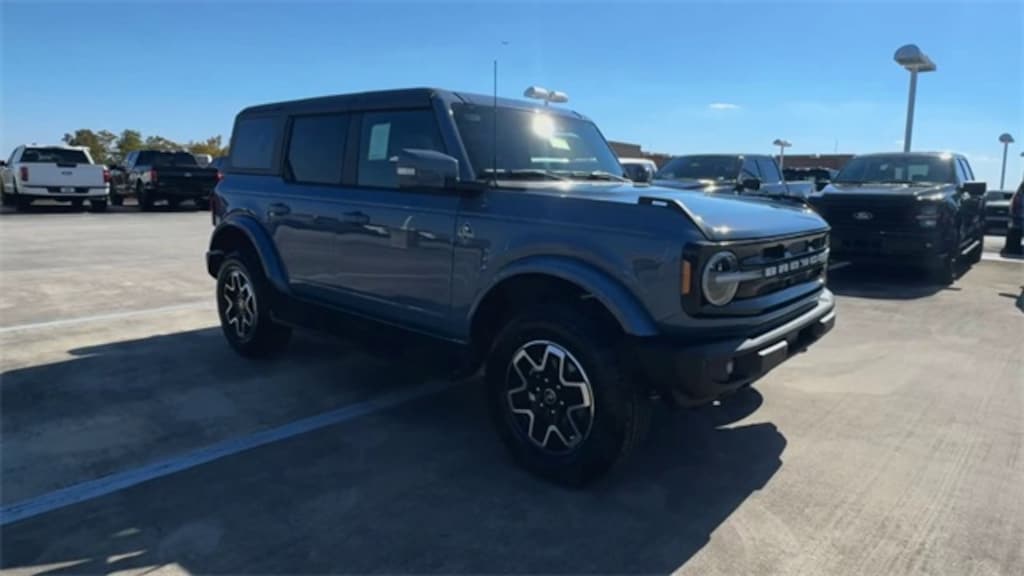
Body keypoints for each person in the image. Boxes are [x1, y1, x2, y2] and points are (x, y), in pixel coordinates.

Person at [1002, 179, 1024, 256]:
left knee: (1015, 229)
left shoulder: (1019, 195)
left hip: (1019, 218)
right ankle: (1012, 247)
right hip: (1019, 218)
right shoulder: (1019, 196)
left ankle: (1012, 247)